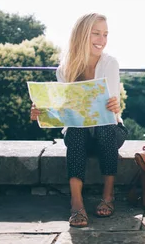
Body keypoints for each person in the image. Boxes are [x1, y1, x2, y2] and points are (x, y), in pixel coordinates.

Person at [30, 13, 123, 228]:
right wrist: (41, 112)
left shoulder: (110, 63)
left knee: (106, 127)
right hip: (79, 132)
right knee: (76, 129)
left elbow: (113, 108)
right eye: (96, 34)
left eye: (105, 34)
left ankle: (108, 196)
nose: (102, 40)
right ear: (82, 35)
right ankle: (76, 202)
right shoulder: (65, 69)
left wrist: (115, 107)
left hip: (109, 130)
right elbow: (63, 111)